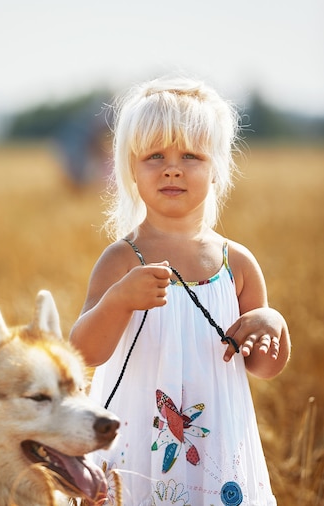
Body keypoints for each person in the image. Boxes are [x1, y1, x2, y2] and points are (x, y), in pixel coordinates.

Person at [69, 76, 291, 506]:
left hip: (215, 448)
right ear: (130, 170)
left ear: (216, 168)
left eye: (191, 155)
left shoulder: (236, 264)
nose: (172, 167)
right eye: (155, 155)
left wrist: (273, 323)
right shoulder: (121, 259)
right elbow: (83, 354)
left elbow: (264, 366)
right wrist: (118, 300)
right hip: (137, 446)